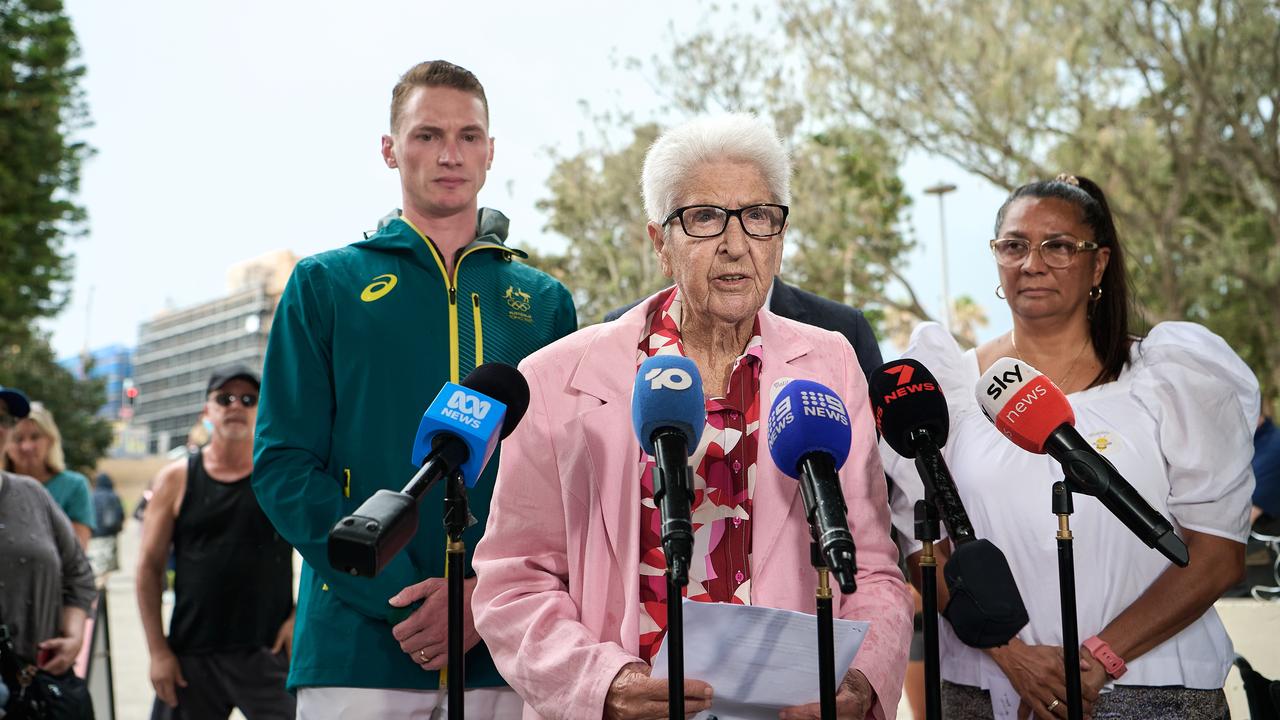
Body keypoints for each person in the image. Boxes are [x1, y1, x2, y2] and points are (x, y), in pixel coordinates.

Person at [471, 114, 912, 720]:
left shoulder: (829, 363)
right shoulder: (557, 378)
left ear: (779, 238)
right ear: (660, 243)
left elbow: (872, 566)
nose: (736, 244)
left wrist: (860, 686)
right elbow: (513, 583)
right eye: (704, 218)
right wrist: (604, 685)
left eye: (759, 216)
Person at [252, 59, 577, 719]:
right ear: (390, 149)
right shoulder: (325, 285)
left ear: (490, 153)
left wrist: (481, 600)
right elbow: (283, 466)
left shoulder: (545, 304)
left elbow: (568, 482)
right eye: (427, 135)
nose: (449, 153)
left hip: (506, 655)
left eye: (468, 136)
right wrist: (398, 593)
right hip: (357, 652)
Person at [882, 174, 1257, 719]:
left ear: (1098, 264)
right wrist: (1013, 658)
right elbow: (927, 551)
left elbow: (1218, 555)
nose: (1032, 263)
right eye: (1013, 245)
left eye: (1058, 246)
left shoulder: (1167, 376)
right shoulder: (945, 388)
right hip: (992, 691)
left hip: (1152, 692)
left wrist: (1098, 659)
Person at [137, 366, 295, 720]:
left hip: (267, 649)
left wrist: (298, 618)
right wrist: (158, 651)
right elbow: (148, 567)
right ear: (206, 412)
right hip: (192, 654)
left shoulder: (279, 478)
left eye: (248, 399)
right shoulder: (176, 478)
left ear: (261, 409)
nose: (235, 406)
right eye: (224, 399)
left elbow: (321, 549)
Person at [0, 387, 96, 709]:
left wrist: (73, 637)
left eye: (1, 418)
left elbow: (78, 572)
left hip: (36, 688)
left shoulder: (33, 494)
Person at [3, 402, 96, 549]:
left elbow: (77, 551)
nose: (26, 446)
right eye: (18, 439)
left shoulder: (73, 486)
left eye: (35, 437)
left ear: (50, 440)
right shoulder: (3, 486)